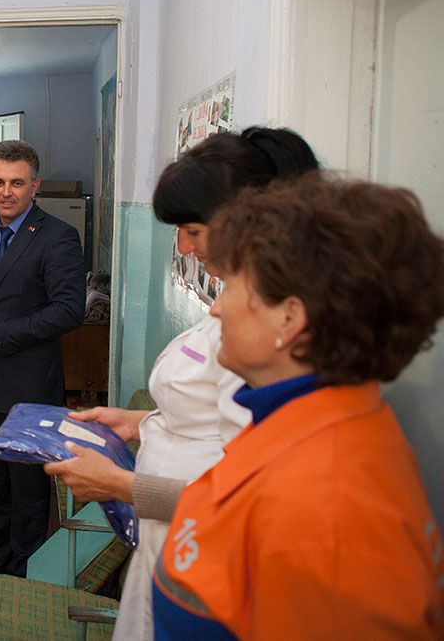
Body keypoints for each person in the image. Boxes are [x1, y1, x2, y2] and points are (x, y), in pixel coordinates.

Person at [45, 126, 318, 640]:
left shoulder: (269, 341)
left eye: (192, 229)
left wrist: (118, 484)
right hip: (173, 544)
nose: (183, 246)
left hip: (210, 559)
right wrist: (138, 422)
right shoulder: (239, 309)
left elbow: (248, 504)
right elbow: (209, 418)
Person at [152, 175, 444, 638]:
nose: (216, 308)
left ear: (289, 319)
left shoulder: (331, 511)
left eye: (232, 286)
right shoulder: (301, 425)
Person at [0, 140, 85, 589]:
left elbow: (69, 310)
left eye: (17, 183)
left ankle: (25, 581)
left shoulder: (58, 236)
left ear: (35, 186)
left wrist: (0, 334)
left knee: (27, 490)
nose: (6, 192)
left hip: (29, 388)